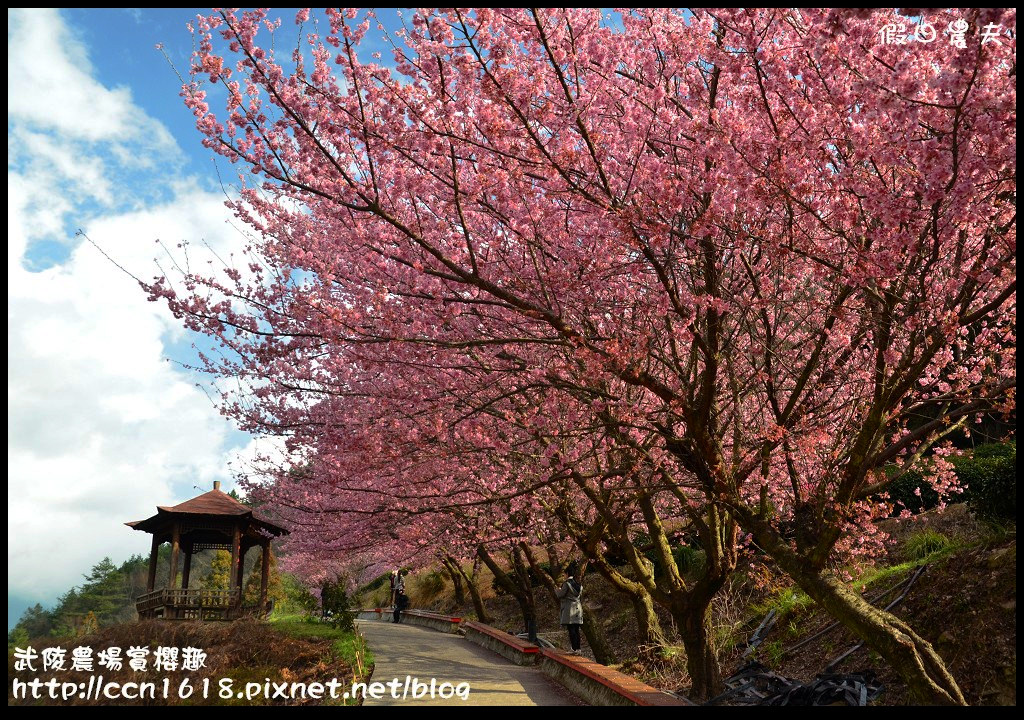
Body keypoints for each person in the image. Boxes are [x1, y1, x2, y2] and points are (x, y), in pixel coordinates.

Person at [555, 563, 584, 654]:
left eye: (564, 574)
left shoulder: (567, 584)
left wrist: (557, 590)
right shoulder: (579, 585)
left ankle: (574, 649)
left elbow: (560, 595)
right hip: (578, 608)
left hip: (569, 608)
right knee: (576, 629)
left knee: (571, 629)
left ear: (567, 573)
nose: (564, 576)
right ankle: (578, 649)